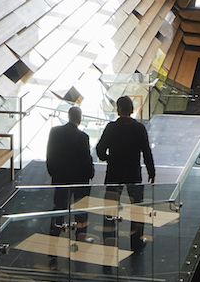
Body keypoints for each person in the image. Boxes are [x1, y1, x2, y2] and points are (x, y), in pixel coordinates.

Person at [95, 95, 156, 253]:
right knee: (137, 207)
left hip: (114, 172)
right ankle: (136, 242)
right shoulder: (139, 128)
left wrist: (108, 159)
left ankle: (109, 241)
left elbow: (100, 149)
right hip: (133, 173)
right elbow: (146, 151)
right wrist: (151, 171)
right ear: (132, 110)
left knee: (110, 207)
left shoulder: (111, 127)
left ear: (118, 109)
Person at [45, 106, 94, 265]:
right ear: (79, 119)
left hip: (60, 179)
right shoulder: (83, 137)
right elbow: (86, 160)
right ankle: (79, 242)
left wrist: (53, 173)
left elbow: (49, 155)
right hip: (79, 181)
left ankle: (53, 244)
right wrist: (90, 174)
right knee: (80, 211)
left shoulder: (55, 132)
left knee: (59, 209)